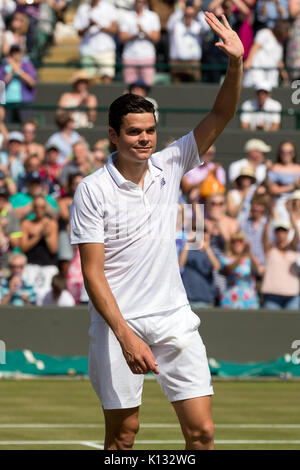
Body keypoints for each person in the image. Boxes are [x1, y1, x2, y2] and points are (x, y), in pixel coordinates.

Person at [69, 12, 244, 450]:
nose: (145, 139)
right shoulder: (91, 190)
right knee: (123, 436)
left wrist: (236, 63)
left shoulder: (171, 162)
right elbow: (93, 274)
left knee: (202, 432)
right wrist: (125, 336)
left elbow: (222, 111)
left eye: (150, 131)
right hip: (117, 326)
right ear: (113, 135)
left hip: (174, 319)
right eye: (134, 132)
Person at [20, 195, 59, 305]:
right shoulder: (26, 224)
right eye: (36, 207)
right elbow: (24, 247)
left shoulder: (52, 224)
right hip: (31, 266)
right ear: (33, 208)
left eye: (42, 207)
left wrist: (46, 235)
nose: (39, 210)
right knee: (29, 298)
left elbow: (53, 249)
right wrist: (38, 236)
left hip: (48, 266)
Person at [261, 203, 300, 309]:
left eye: (284, 230)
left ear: (288, 232)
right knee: (271, 324)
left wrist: (291, 213)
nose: (281, 233)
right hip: (272, 294)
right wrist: (268, 219)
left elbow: (297, 234)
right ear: (274, 232)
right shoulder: (270, 248)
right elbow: (264, 237)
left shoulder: (293, 248)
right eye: (278, 230)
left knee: (292, 324)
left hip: (292, 294)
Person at [73, 0, 118, 83]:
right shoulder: (82, 8)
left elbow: (114, 29)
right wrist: (89, 26)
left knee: (107, 77)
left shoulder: (109, 7)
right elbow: (79, 32)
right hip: (87, 50)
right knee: (86, 79)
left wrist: (98, 25)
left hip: (105, 49)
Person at [119, 0, 161, 86]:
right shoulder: (127, 16)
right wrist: (136, 34)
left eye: (141, 1)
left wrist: (143, 32)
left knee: (148, 87)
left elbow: (156, 38)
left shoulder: (153, 16)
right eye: (138, 1)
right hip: (129, 56)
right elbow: (122, 38)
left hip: (147, 57)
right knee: (129, 91)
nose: (139, 3)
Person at [243, 20, 290, 88]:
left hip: (271, 77)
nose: (288, 35)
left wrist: (284, 74)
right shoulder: (265, 33)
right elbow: (255, 46)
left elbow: (279, 61)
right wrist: (249, 61)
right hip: (256, 74)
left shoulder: (280, 44)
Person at [219, 231, 260, 309]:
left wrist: (249, 253)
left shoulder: (250, 259)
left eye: (240, 241)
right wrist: (240, 256)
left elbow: (256, 269)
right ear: (230, 244)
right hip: (230, 298)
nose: (237, 244)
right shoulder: (226, 259)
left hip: (249, 299)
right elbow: (229, 269)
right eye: (234, 241)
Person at [182, 228, 220, 308]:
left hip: (206, 299)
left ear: (209, 235)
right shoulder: (189, 251)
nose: (201, 236)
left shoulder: (214, 252)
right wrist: (187, 242)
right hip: (188, 300)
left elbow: (217, 267)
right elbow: (180, 264)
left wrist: (207, 249)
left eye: (204, 232)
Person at [0, 45, 37, 124]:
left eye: (17, 52)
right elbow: (1, 85)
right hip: (7, 103)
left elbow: (32, 82)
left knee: (26, 125)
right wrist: (11, 71)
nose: (15, 55)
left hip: (24, 103)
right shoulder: (4, 66)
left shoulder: (27, 65)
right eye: (13, 53)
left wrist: (18, 70)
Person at [266, 141, 300, 221]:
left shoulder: (299, 168)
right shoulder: (275, 168)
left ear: (294, 154)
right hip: (280, 203)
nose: (286, 154)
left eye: (289, 152)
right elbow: (273, 190)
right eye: (283, 152)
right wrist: (293, 186)